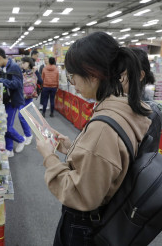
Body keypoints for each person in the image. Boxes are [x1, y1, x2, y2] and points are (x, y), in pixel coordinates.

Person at [36, 32, 151, 245]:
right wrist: (72, 148)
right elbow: (104, 165)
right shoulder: (127, 107)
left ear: (93, 73)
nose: (72, 82)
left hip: (85, 226)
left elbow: (81, 194)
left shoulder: (103, 128)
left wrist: (48, 157)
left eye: (73, 76)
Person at [0, 48, 25, 157]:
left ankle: (21, 139)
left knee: (6, 127)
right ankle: (9, 149)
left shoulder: (13, 66)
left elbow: (17, 84)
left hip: (13, 101)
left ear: (0, 57)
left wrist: (0, 80)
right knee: (4, 125)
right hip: (5, 100)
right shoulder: (4, 68)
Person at [18, 56, 38, 145]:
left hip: (28, 96)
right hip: (21, 96)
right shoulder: (21, 71)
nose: (22, 65)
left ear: (28, 63)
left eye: (24, 63)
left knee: (22, 116)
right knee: (23, 116)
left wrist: (35, 73)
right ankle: (28, 134)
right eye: (22, 63)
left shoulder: (34, 71)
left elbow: (40, 81)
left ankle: (28, 135)